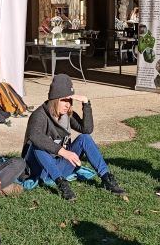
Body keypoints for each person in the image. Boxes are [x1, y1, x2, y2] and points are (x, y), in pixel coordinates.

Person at [22, 73, 125, 201]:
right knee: (38, 146)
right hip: (39, 169)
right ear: (54, 99)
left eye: (70, 100)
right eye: (64, 100)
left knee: (84, 138)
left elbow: (86, 129)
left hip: (59, 165)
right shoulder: (39, 115)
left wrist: (86, 104)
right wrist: (63, 152)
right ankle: (62, 184)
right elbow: (34, 136)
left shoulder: (66, 114)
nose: (67, 104)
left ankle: (106, 177)